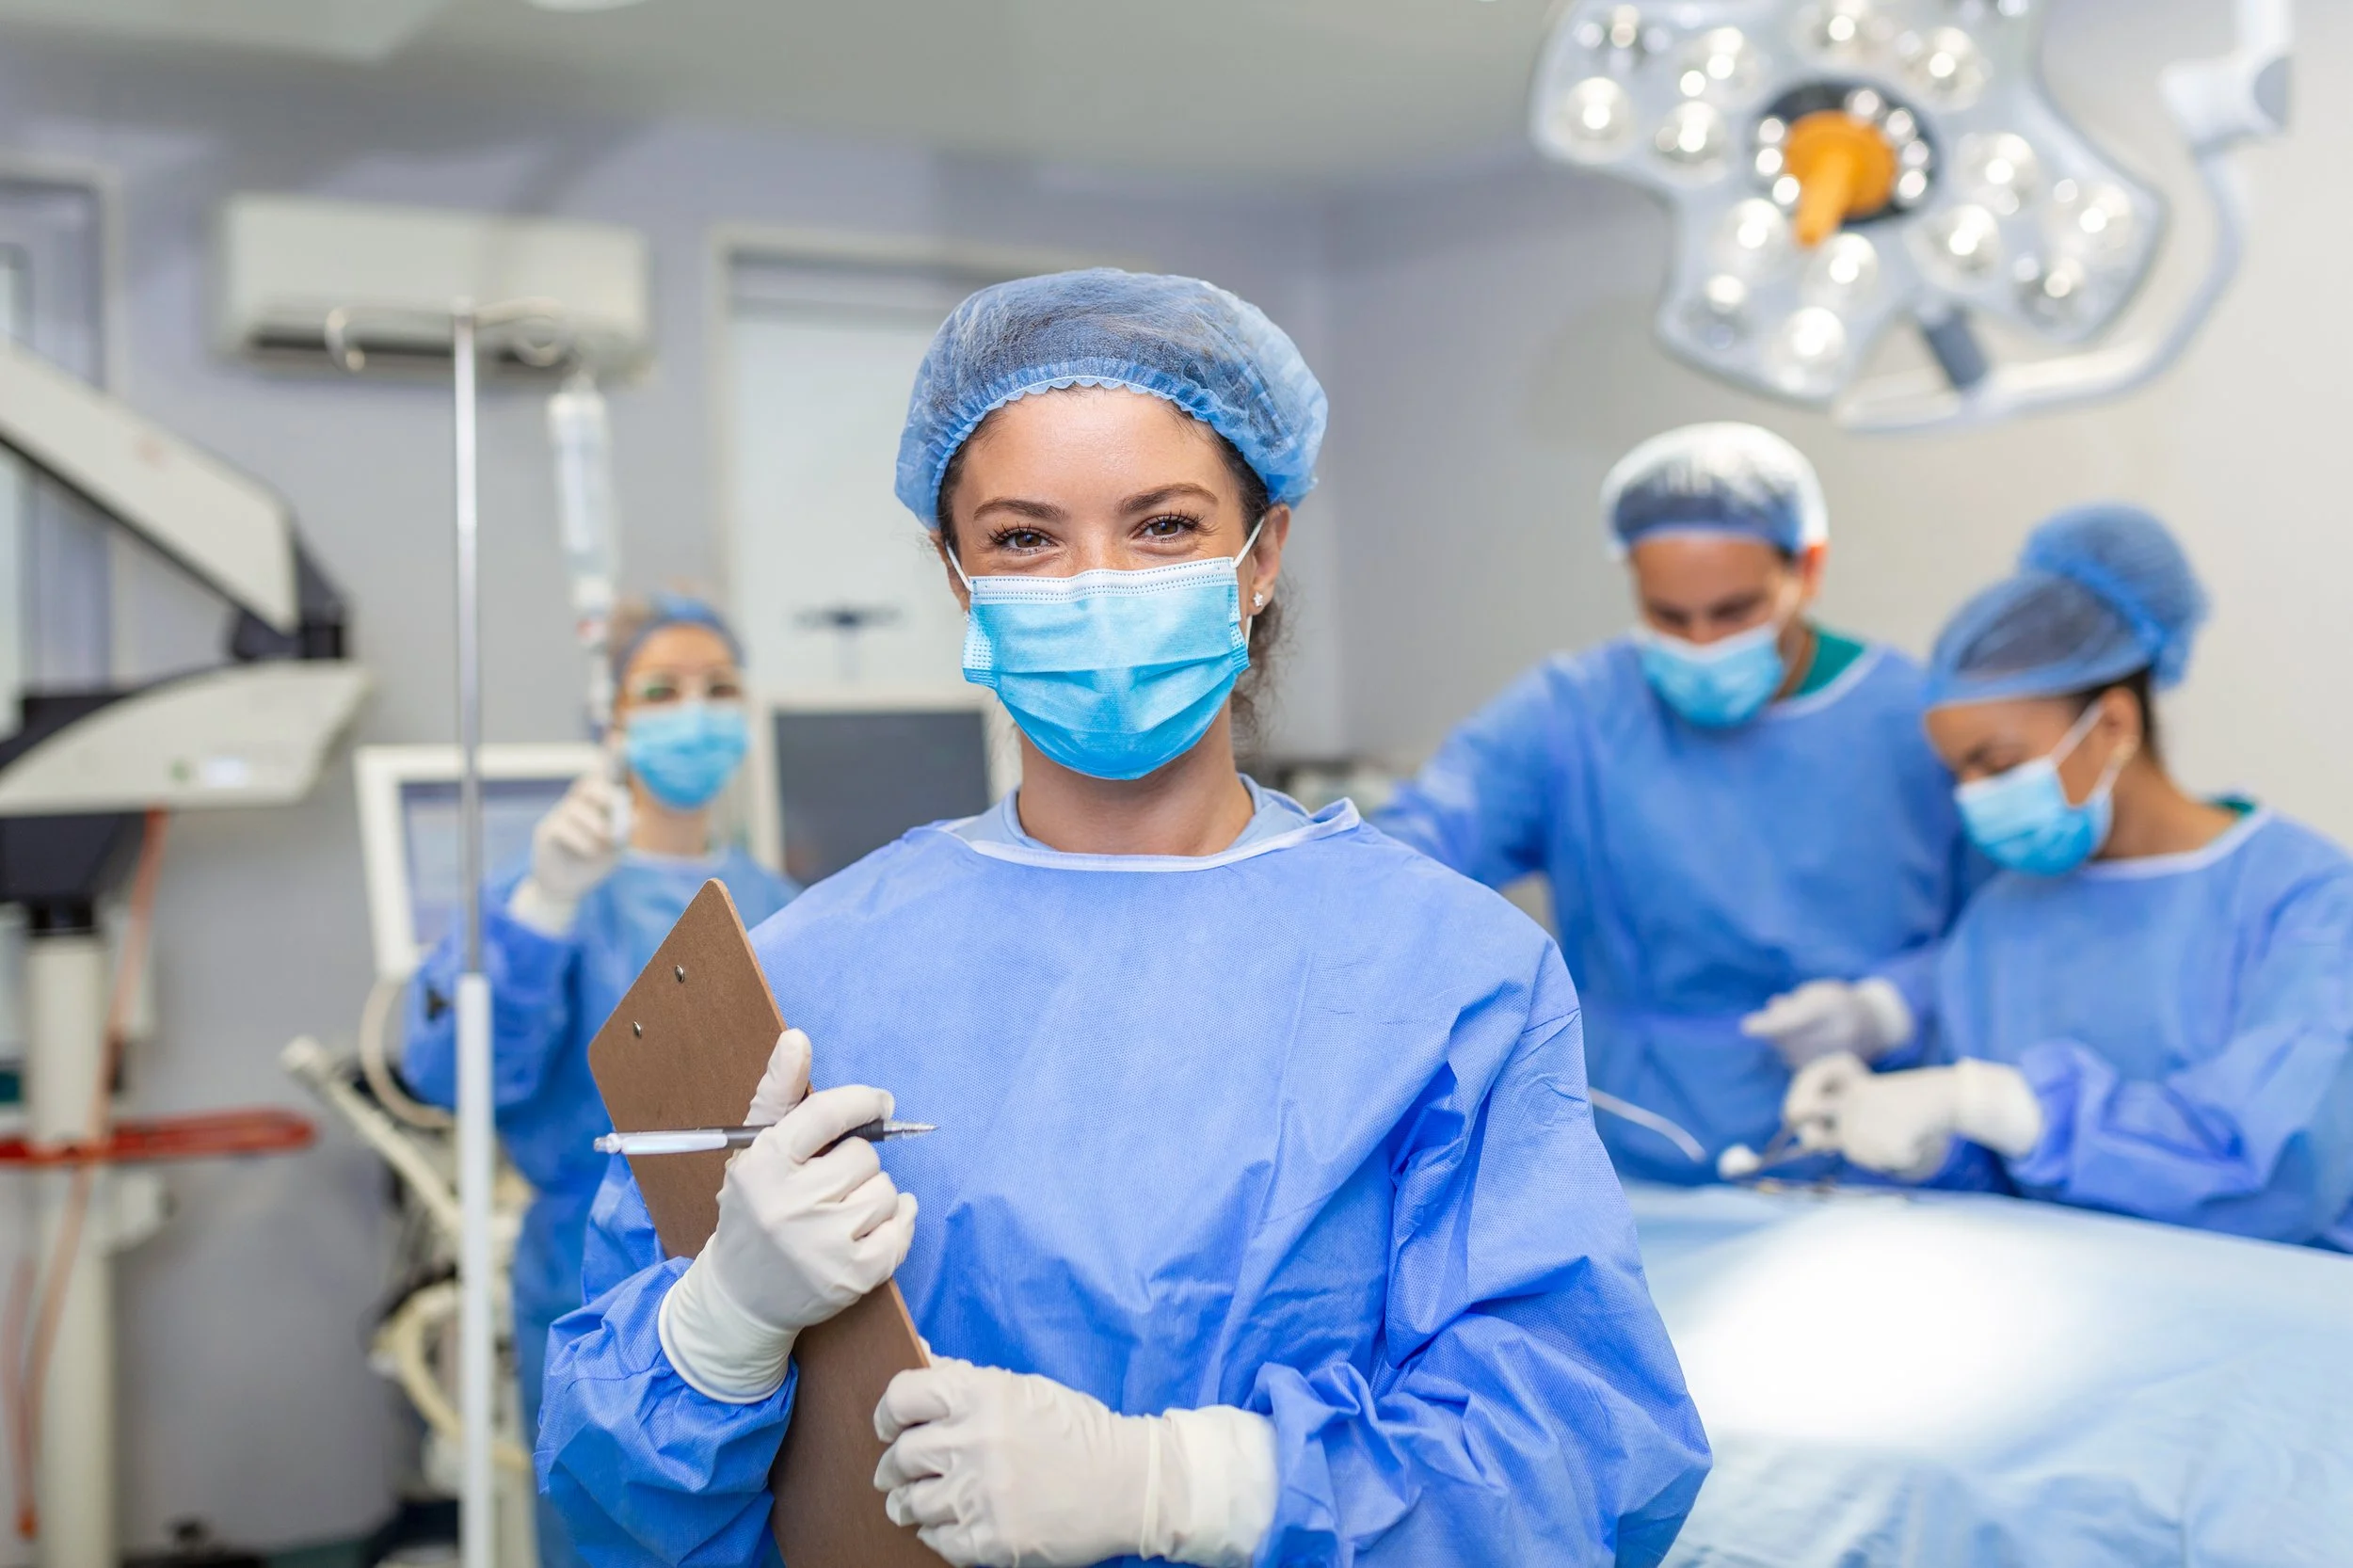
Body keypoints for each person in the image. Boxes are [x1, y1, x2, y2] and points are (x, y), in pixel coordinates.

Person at [536, 269, 1708, 1568]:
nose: (1096, 584)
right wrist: (716, 1331)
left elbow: (1583, 1457)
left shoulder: (1453, 975)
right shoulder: (804, 970)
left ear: (1260, 557)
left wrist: (1183, 1485)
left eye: (1162, 525)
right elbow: (607, 1507)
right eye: (1026, 537)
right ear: (956, 570)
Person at [1375, 424, 1975, 1182]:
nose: (1700, 643)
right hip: (1631, 1143)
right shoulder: (1574, 714)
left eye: (1734, 613)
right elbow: (1409, 855)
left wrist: (1886, 1006)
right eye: (1669, 616)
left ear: (1808, 569)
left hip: (1868, 1140)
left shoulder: (1915, 720)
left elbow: (2004, 930)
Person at [1784, 505, 2353, 1248]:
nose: (1975, 796)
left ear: (2113, 725)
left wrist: (2000, 1102)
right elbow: (2011, 1182)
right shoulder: (2004, 919)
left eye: (1999, 762)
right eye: (1958, 771)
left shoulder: (2307, 900)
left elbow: (2280, 1176)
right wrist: (1929, 1147)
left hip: (2265, 1328)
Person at [404, 594, 799, 1566]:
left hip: (764, 1273)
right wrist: (543, 907)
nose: (693, 711)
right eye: (660, 690)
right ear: (610, 721)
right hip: (592, 1279)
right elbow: (447, 1074)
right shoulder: (549, 888)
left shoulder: (780, 904)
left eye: (719, 688)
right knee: (610, 1532)